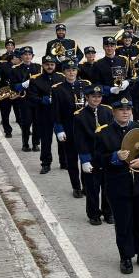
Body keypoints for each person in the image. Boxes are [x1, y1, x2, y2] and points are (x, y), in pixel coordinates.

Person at [93, 97, 139, 274]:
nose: (125, 112)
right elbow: (97, 159)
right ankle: (126, 257)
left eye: (128, 109)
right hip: (118, 186)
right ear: (114, 112)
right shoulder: (103, 132)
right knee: (123, 223)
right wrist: (114, 157)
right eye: (121, 110)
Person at [74, 85, 113, 225]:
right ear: (87, 97)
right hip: (91, 156)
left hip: (106, 155)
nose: (96, 99)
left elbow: (111, 134)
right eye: (93, 97)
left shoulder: (107, 111)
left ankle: (108, 212)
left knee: (108, 187)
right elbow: (80, 139)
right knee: (92, 188)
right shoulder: (79, 116)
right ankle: (94, 214)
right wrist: (84, 160)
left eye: (99, 96)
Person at [52, 59, 90, 197]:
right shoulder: (57, 89)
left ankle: (86, 186)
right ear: (64, 72)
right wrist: (59, 129)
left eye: (73, 70)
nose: (71, 73)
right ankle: (76, 187)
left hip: (85, 128)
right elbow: (55, 112)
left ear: (77, 71)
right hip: (69, 128)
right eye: (68, 70)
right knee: (72, 160)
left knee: (86, 158)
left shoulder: (85, 85)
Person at [28, 53, 65, 174]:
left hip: (59, 114)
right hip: (44, 114)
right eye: (47, 64)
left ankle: (63, 162)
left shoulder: (61, 77)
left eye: (52, 64)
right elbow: (31, 97)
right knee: (46, 140)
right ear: (43, 65)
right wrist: (42, 100)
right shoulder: (35, 79)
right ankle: (45, 163)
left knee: (63, 139)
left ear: (55, 65)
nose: (49, 67)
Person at [9, 46, 41, 152]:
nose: (27, 56)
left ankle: (36, 143)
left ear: (32, 56)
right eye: (25, 55)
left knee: (37, 123)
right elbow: (13, 86)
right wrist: (23, 84)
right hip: (24, 100)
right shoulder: (16, 69)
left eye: (29, 54)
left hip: (36, 99)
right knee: (26, 123)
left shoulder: (38, 67)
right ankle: (25, 143)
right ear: (21, 57)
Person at [0, 38, 20, 137]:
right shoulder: (2, 63)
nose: (10, 47)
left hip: (16, 89)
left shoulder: (20, 59)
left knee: (20, 111)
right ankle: (8, 131)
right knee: (5, 112)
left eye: (12, 45)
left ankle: (24, 128)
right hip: (4, 89)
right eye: (8, 45)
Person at [91, 36, 131, 104]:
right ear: (103, 47)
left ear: (115, 47)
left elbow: (131, 76)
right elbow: (96, 84)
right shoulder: (98, 64)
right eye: (107, 46)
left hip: (124, 98)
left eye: (112, 46)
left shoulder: (123, 60)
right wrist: (110, 90)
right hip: (108, 99)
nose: (109, 48)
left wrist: (127, 82)